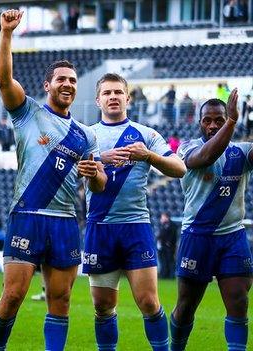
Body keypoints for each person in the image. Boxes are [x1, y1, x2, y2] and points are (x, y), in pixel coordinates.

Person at [0, 10, 107, 351]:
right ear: (48, 85)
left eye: (72, 80)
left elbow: (97, 186)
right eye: (61, 79)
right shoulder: (28, 113)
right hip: (27, 216)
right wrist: (7, 34)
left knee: (61, 300)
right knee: (12, 296)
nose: (68, 84)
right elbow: (3, 79)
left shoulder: (85, 135)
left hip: (65, 222)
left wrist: (95, 174)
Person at [84, 73, 186, 351]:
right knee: (103, 306)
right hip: (99, 227)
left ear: (128, 98)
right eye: (107, 93)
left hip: (136, 227)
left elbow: (179, 169)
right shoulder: (86, 135)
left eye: (118, 92)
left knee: (149, 303)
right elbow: (67, 172)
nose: (113, 97)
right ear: (98, 100)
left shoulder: (147, 134)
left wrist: (148, 156)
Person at [171, 90, 253, 350]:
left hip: (233, 236)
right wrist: (231, 121)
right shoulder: (187, 149)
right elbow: (206, 157)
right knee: (186, 307)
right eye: (208, 120)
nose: (213, 125)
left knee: (239, 301)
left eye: (220, 119)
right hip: (198, 236)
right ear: (199, 123)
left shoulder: (242, 152)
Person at [157, 212, 178, 279]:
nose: (161, 219)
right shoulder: (163, 225)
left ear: (166, 217)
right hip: (162, 247)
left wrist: (168, 242)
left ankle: (171, 275)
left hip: (169, 247)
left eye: (163, 217)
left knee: (170, 261)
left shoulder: (172, 225)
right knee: (164, 261)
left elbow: (173, 236)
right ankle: (164, 275)